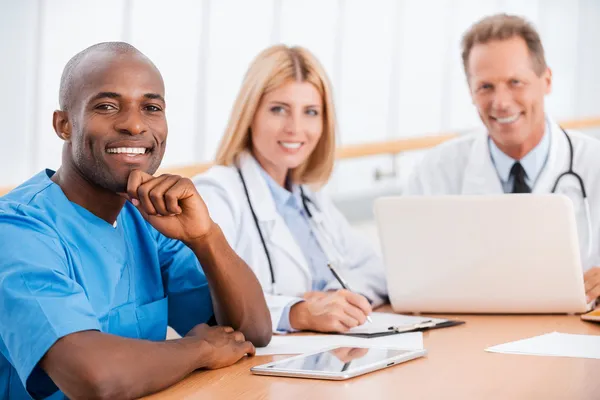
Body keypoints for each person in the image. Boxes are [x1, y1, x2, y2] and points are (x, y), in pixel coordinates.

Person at [0, 42, 271, 400]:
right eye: (107, 106)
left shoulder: (146, 220)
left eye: (151, 107)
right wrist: (199, 351)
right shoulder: (17, 230)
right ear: (64, 124)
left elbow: (251, 331)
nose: (134, 124)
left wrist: (206, 237)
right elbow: (95, 378)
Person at [404, 14, 600, 305]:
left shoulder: (594, 163)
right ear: (471, 91)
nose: (501, 102)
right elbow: (404, 275)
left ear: (546, 81)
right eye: (486, 86)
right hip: (470, 337)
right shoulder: (435, 171)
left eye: (515, 82)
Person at [193, 45, 387, 334]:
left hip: (330, 352)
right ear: (250, 114)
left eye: (310, 112)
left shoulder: (309, 198)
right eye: (279, 109)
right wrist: (299, 312)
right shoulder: (216, 194)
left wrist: (333, 297)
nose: (295, 128)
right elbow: (208, 300)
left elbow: (376, 272)